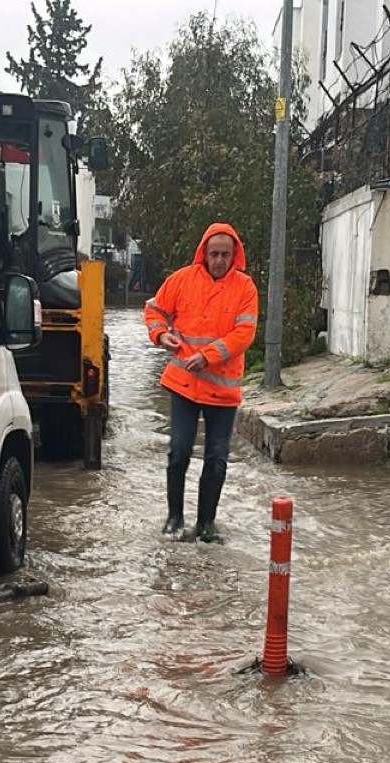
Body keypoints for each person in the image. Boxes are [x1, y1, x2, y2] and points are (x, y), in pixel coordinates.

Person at [144, 223, 259, 543]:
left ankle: (206, 524)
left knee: (217, 457)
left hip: (222, 390)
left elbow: (243, 334)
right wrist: (161, 334)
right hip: (183, 384)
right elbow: (154, 310)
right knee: (178, 451)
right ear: (204, 255)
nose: (219, 260)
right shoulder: (181, 280)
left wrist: (208, 356)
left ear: (234, 255)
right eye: (214, 254)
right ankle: (174, 518)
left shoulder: (245, 288)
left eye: (225, 254)